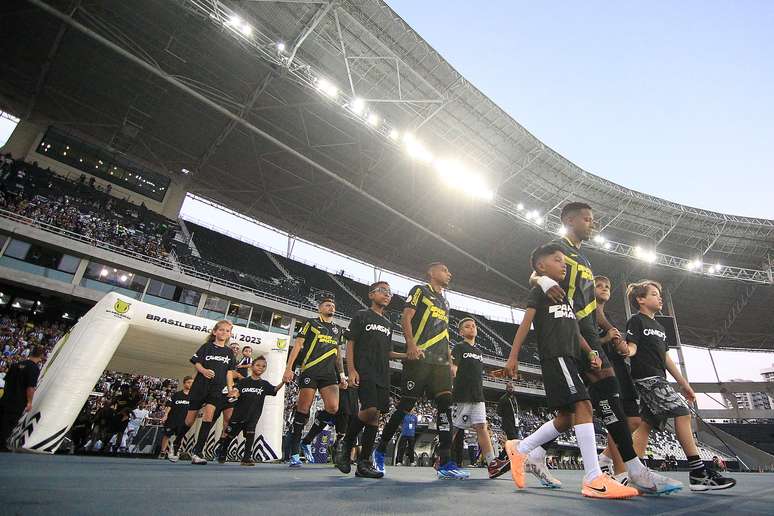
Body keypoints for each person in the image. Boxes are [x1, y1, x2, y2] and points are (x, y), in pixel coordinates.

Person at [529, 202, 681, 495]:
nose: (592, 224)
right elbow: (534, 273)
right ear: (569, 220)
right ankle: (628, 470)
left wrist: (607, 328)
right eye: (587, 219)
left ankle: (536, 452)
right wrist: (545, 280)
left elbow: (587, 301)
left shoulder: (584, 260)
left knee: (590, 404)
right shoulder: (555, 248)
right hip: (567, 331)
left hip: (587, 330)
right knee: (589, 402)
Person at [505, 244, 640, 498]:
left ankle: (522, 449)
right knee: (584, 406)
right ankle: (593, 478)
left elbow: (575, 330)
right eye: (558, 260)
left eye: (565, 261)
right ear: (541, 267)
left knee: (567, 416)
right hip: (554, 357)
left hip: (570, 356)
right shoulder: (539, 292)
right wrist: (513, 357)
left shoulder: (564, 296)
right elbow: (525, 324)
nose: (564, 264)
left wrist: (590, 351)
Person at [625, 280, 736, 491]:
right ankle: (698, 472)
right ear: (640, 300)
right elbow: (632, 347)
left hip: (660, 378)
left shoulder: (659, 326)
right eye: (654, 294)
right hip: (647, 379)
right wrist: (625, 351)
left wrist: (684, 384)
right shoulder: (636, 321)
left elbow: (666, 357)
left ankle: (634, 474)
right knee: (683, 413)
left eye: (660, 294)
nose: (660, 298)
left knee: (645, 424)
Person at [372, 263, 467, 479]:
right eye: (445, 269)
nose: (449, 272)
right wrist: (411, 344)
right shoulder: (419, 291)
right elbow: (406, 317)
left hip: (440, 362)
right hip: (420, 358)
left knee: (445, 406)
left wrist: (451, 361)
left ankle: (445, 461)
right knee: (406, 405)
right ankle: (380, 449)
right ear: (431, 273)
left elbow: (444, 332)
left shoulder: (445, 301)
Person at [335, 281, 406, 478]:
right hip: (364, 370)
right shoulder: (361, 315)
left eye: (390, 292)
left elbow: (388, 352)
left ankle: (363, 463)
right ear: (371, 295)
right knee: (370, 410)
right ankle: (347, 444)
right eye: (382, 291)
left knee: (374, 417)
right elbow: (350, 343)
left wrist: (407, 355)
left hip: (383, 373)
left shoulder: (388, 324)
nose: (387, 294)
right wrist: (351, 370)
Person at [283, 298, 347, 468]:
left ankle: (307, 440)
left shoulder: (338, 329)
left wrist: (342, 374)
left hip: (328, 374)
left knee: (333, 408)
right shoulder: (310, 323)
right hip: (310, 370)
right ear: (320, 309)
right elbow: (297, 346)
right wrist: (289, 368)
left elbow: (338, 353)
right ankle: (295, 453)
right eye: (327, 305)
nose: (331, 307)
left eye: (333, 305)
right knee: (303, 409)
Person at [593, 275, 642, 483]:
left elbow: (617, 344)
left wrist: (622, 347)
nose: (604, 288)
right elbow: (587, 342)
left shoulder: (609, 316)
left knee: (634, 420)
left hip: (619, 368)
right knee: (618, 421)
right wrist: (606, 338)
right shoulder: (586, 314)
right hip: (605, 370)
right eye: (599, 286)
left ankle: (604, 458)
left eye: (607, 286)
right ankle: (620, 473)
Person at [451, 317, 510, 479]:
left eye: (473, 326)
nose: (472, 328)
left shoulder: (479, 352)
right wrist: (454, 383)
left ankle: (492, 464)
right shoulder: (459, 347)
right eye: (467, 327)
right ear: (461, 332)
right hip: (463, 394)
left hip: (478, 395)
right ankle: (442, 459)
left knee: (482, 427)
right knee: (454, 428)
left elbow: (475, 372)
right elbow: (453, 368)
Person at [184, 320, 238, 465]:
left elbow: (229, 372)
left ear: (230, 334)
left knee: (209, 417)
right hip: (200, 386)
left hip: (217, 390)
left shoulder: (229, 352)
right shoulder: (206, 347)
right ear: (215, 331)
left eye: (227, 331)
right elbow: (196, 362)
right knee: (189, 421)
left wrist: (230, 388)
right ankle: (175, 442)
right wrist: (203, 371)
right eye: (221, 330)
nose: (224, 333)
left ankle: (197, 452)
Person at [216, 356, 285, 466]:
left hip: (253, 415)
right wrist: (234, 393)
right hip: (238, 415)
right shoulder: (244, 381)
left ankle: (246, 458)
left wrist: (283, 382)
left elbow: (274, 390)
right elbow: (236, 391)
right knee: (230, 435)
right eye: (258, 365)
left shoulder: (264, 384)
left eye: (264, 366)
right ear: (252, 366)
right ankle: (223, 451)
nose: (260, 368)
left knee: (250, 435)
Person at [0, 345, 43, 451]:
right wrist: (29, 402)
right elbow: (30, 387)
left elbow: (7, 382)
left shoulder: (16, 365)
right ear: (41, 356)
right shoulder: (34, 368)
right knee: (9, 423)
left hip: (6, 398)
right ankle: (1, 445)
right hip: (18, 401)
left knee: (2, 420)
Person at [160, 375, 193, 462]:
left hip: (183, 421)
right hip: (172, 419)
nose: (190, 384)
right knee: (167, 435)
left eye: (192, 383)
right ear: (184, 383)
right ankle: (163, 451)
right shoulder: (177, 394)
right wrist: (166, 415)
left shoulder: (193, 397)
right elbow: (169, 405)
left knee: (180, 436)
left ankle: (175, 451)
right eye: (188, 382)